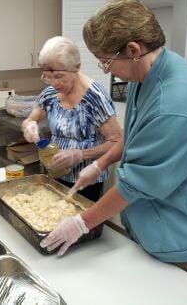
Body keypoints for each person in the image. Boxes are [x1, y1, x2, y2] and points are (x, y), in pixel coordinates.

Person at [40, 0, 187, 288]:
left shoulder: (172, 105)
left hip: (186, 240)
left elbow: (135, 185)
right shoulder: (143, 76)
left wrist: (82, 223)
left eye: (106, 61)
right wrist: (101, 163)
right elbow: (133, 135)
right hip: (154, 226)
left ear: (134, 50)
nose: (106, 70)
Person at [21, 36, 123, 202]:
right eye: (47, 76)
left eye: (59, 76)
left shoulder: (95, 98)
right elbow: (30, 119)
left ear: (77, 67)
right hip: (54, 173)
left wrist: (79, 154)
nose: (53, 83)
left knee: (82, 224)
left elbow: (117, 142)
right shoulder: (51, 93)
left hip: (86, 181)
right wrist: (29, 125)